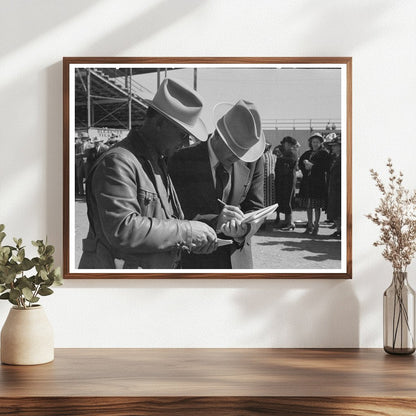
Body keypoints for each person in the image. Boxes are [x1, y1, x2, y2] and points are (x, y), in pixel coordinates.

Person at [79, 78, 218, 269]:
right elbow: (123, 228)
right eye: (182, 134)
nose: (185, 143)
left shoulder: (156, 161)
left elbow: (165, 224)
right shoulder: (119, 161)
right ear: (160, 123)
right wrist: (187, 231)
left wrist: (193, 240)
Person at [169, 99, 265, 269]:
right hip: (196, 263)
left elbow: (256, 207)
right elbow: (172, 213)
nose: (238, 158)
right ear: (218, 135)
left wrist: (245, 229)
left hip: (238, 263)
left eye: (243, 153)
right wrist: (215, 222)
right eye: (234, 151)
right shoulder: (181, 160)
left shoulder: (255, 162)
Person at [298, 133, 331, 236]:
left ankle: (316, 226)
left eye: (317, 142)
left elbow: (326, 166)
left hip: (318, 183)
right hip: (308, 183)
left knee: (317, 206)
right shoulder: (307, 153)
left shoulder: (324, 153)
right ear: (310, 143)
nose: (315, 144)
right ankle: (309, 225)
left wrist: (313, 166)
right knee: (308, 205)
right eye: (313, 142)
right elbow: (300, 163)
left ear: (321, 143)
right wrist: (305, 163)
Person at [274, 136, 300, 231]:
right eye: (286, 143)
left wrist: (279, 157)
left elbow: (284, 161)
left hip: (289, 179)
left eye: (290, 144)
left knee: (288, 200)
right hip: (282, 179)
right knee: (283, 200)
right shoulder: (283, 152)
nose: (288, 145)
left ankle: (290, 222)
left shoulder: (293, 153)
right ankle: (286, 221)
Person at [326, 136, 342, 238]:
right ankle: (339, 229)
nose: (333, 148)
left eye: (335, 146)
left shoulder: (342, 158)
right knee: (335, 210)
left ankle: (341, 230)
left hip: (338, 187)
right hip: (334, 187)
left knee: (339, 209)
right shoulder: (336, 157)